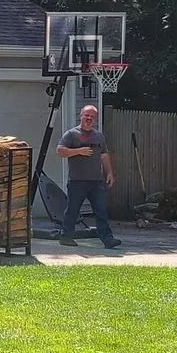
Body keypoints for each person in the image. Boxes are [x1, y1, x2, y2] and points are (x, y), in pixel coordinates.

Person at [56, 104, 121, 248]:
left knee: (101, 210)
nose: (89, 119)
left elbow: (104, 155)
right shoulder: (71, 134)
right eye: (87, 115)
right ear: (81, 116)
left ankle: (108, 239)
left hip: (96, 181)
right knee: (73, 210)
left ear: (95, 119)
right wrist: (78, 151)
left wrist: (109, 173)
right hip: (77, 180)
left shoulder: (98, 136)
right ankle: (66, 236)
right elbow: (60, 151)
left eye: (92, 117)